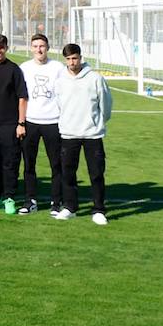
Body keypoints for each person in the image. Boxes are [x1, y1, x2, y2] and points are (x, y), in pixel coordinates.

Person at [55, 43, 113, 224]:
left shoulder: (95, 78)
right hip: (68, 133)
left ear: (81, 57)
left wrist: (98, 124)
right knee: (68, 173)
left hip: (92, 135)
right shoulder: (60, 79)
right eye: (69, 59)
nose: (72, 62)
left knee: (96, 173)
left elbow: (106, 105)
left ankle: (98, 210)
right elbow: (59, 103)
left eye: (75, 58)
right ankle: (70, 207)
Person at [18, 33, 65, 216]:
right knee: (29, 164)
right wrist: (20, 122)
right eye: (35, 46)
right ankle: (30, 201)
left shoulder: (58, 67)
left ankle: (56, 202)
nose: (39, 49)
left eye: (42, 46)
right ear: (31, 48)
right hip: (31, 122)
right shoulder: (24, 68)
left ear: (48, 47)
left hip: (53, 122)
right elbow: (21, 97)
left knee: (56, 164)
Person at [0, 34, 27, 215]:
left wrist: (20, 123)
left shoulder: (14, 69)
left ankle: (9, 197)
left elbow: (22, 97)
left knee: (10, 162)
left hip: (10, 124)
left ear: (6, 49)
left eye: (2, 47)